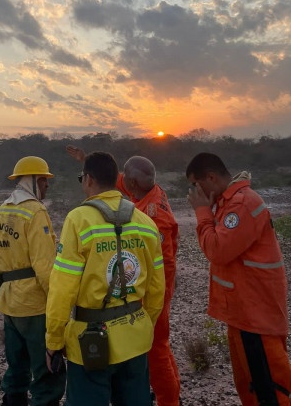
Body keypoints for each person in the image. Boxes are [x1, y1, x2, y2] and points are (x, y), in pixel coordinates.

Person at [46, 151, 165, 406]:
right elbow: (157, 289)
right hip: (135, 339)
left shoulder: (78, 220)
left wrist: (54, 340)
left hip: (89, 345)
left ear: (88, 179)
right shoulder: (146, 222)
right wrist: (143, 326)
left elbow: (62, 288)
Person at [186, 152, 291, 406]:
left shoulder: (241, 204)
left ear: (211, 177)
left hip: (256, 317)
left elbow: (217, 250)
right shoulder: (229, 202)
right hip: (244, 314)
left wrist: (202, 211)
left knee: (270, 389)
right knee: (251, 387)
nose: (194, 192)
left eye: (195, 185)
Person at [0, 156, 66, 406]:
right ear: (32, 180)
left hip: (9, 303)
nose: (47, 185)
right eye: (44, 180)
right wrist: (57, 305)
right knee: (46, 370)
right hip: (34, 306)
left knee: (17, 367)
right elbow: (44, 266)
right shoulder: (35, 211)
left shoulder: (4, 209)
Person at [123, 156, 180, 406]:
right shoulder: (148, 194)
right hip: (156, 287)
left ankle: (169, 400)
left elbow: (162, 265)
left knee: (154, 350)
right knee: (162, 347)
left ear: (133, 182)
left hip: (157, 290)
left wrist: (150, 299)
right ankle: (173, 396)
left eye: (125, 179)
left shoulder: (154, 215)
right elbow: (119, 180)